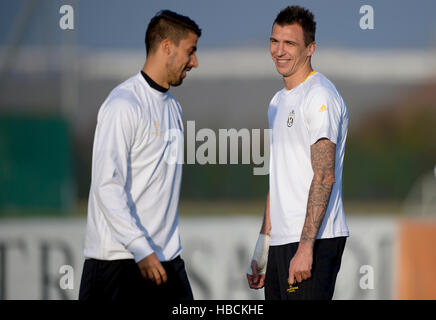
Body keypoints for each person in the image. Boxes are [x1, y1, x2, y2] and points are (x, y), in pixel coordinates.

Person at [78, 10, 201, 300]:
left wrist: (153, 252)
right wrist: (140, 248)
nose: (195, 62)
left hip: (166, 261)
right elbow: (106, 185)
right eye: (190, 51)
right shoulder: (123, 104)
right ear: (166, 47)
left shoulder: (174, 108)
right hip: (118, 262)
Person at [247, 5, 349, 300]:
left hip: (313, 240)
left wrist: (306, 247)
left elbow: (325, 174)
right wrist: (263, 246)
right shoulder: (277, 101)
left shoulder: (320, 95)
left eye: (290, 43)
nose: (279, 51)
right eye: (274, 41)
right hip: (282, 241)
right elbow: (279, 180)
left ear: (310, 49)